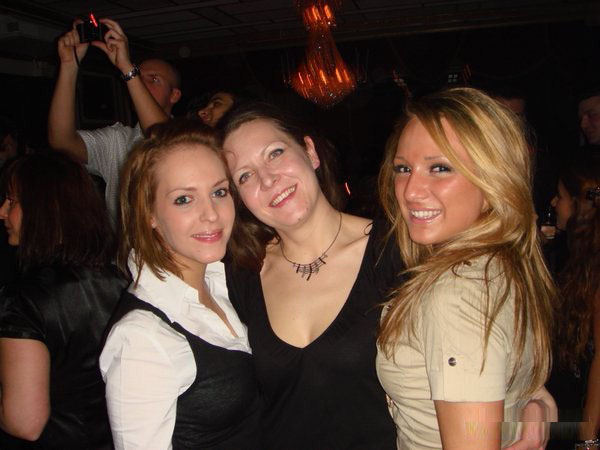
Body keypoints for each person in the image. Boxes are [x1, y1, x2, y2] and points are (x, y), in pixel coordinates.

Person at [376, 87, 556, 449]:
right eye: (403, 168)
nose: (410, 191)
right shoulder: (501, 264)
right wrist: (540, 407)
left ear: (494, 180)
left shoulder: (457, 292)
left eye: (440, 168)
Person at [222, 101, 402, 449]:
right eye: (245, 176)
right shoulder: (239, 276)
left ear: (310, 152)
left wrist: (517, 414)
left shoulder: (395, 252)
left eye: (275, 153)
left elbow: (472, 360)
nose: (267, 179)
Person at [99, 119, 261, 450]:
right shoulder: (141, 338)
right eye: (184, 199)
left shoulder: (221, 281)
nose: (211, 214)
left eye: (219, 192)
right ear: (149, 213)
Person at [0, 152, 126, 449]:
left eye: (12, 201)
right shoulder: (122, 279)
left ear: (43, 209)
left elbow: (25, 422)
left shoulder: (24, 299)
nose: (2, 211)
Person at [48, 18, 181, 223]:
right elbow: (61, 142)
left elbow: (164, 140)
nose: (141, 83)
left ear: (174, 95)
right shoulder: (118, 140)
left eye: (154, 79)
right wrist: (69, 65)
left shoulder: (190, 137)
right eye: (138, 76)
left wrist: (128, 68)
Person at [547, 154, 600, 444]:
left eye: (561, 196)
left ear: (581, 203)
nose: (554, 203)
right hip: (571, 405)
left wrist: (587, 440)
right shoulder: (580, 258)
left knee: (482, 427)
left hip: (585, 419)